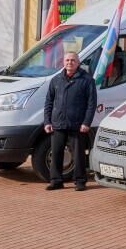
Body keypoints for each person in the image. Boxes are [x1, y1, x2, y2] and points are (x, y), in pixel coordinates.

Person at [42, 51, 96, 191]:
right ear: (63, 62)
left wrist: (86, 123)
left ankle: (80, 182)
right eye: (67, 60)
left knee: (78, 155)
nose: (69, 62)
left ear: (78, 63)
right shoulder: (56, 80)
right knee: (56, 153)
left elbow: (91, 104)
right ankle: (56, 181)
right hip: (58, 123)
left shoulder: (87, 80)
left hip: (77, 124)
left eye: (72, 60)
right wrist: (47, 121)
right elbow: (48, 102)